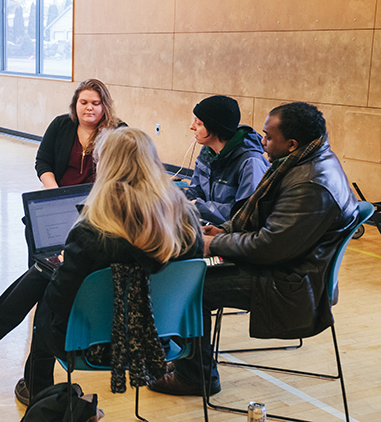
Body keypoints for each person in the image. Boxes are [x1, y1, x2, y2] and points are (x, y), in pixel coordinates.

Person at [0, 127, 203, 404]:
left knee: (48, 291)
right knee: (50, 276)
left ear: (106, 166)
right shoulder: (187, 222)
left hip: (95, 344)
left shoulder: (94, 230)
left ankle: (36, 386)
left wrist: (63, 268)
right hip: (162, 338)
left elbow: (61, 303)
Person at [150, 102, 359, 397]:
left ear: (292, 143)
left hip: (292, 282)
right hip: (291, 266)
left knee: (190, 285)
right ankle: (190, 361)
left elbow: (269, 246)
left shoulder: (311, 184)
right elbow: (266, 221)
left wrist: (214, 242)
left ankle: (196, 376)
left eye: (268, 137)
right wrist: (225, 230)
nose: (262, 142)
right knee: (189, 270)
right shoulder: (306, 160)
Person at [185, 95, 269, 224]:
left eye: (199, 123)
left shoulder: (250, 162)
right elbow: (196, 189)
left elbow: (245, 213)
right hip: (211, 226)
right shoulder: (207, 151)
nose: (192, 127)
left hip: (235, 235)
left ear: (216, 128)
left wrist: (198, 206)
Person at [35, 79, 124, 189]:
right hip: (60, 191)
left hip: (101, 196)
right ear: (75, 104)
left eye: (95, 103)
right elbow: (43, 162)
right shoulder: (60, 124)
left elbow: (125, 171)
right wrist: (55, 192)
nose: (89, 108)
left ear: (105, 106)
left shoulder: (119, 131)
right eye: (83, 103)